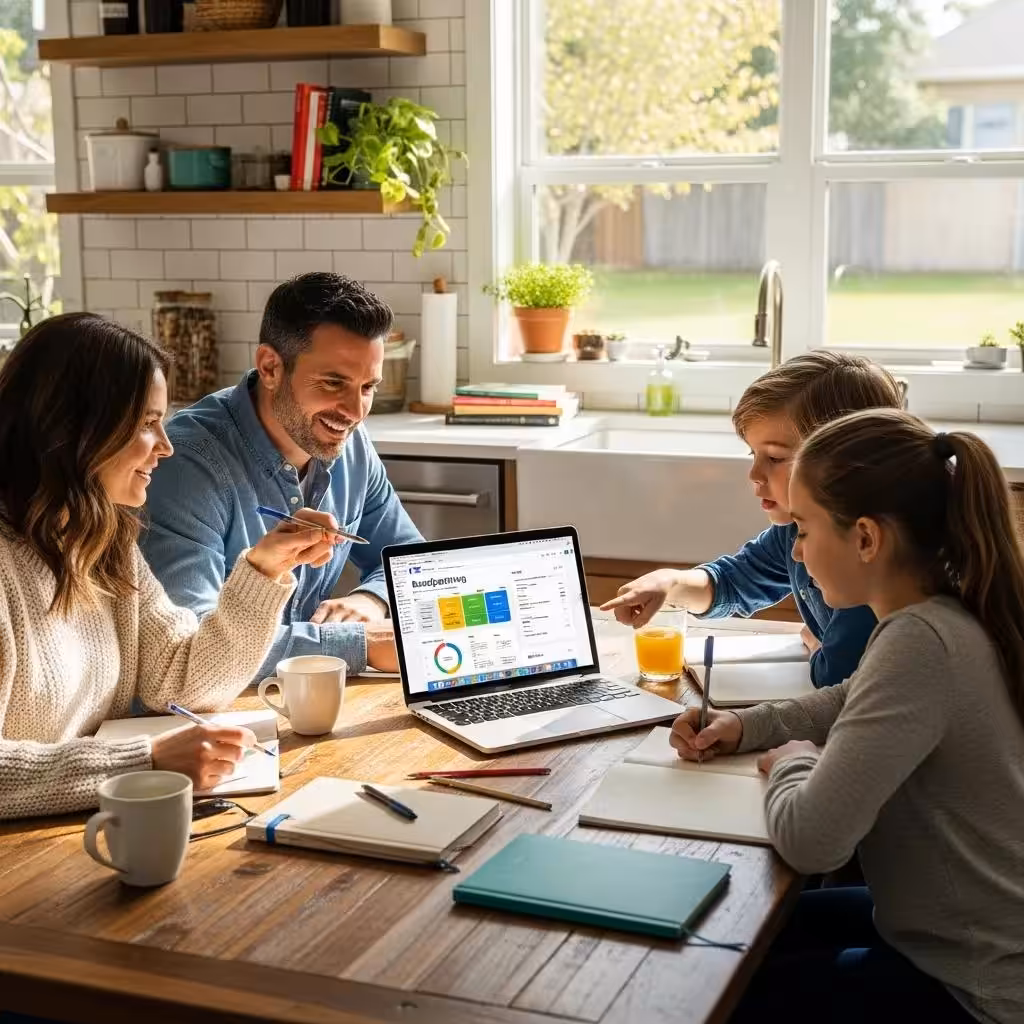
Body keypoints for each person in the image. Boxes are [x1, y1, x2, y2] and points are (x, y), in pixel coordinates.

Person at [671, 409, 1024, 1023]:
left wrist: (795, 763)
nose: (799, 553)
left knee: (712, 984)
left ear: (865, 538)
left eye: (803, 529)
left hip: (975, 989)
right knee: (724, 936)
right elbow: (848, 699)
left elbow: (813, 842)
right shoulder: (945, 611)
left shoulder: (920, 642)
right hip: (945, 932)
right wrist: (748, 726)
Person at [0, 314, 340, 820]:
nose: (166, 444)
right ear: (73, 428)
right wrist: (143, 762)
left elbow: (181, 679)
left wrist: (263, 571)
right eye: (145, 423)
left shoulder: (102, 541)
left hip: (92, 826)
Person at [140, 273, 422, 682]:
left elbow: (409, 559)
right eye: (333, 382)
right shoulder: (187, 464)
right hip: (203, 716)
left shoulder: (349, 442)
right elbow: (192, 644)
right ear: (270, 367)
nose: (355, 410)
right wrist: (360, 643)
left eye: (367, 387)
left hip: (299, 702)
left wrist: (370, 598)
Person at [601, 351, 904, 686]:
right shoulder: (794, 532)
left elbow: (841, 677)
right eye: (753, 453)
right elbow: (735, 580)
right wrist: (669, 583)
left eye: (774, 457)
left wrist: (817, 643)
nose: (754, 474)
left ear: (847, 461)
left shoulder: (867, 560)